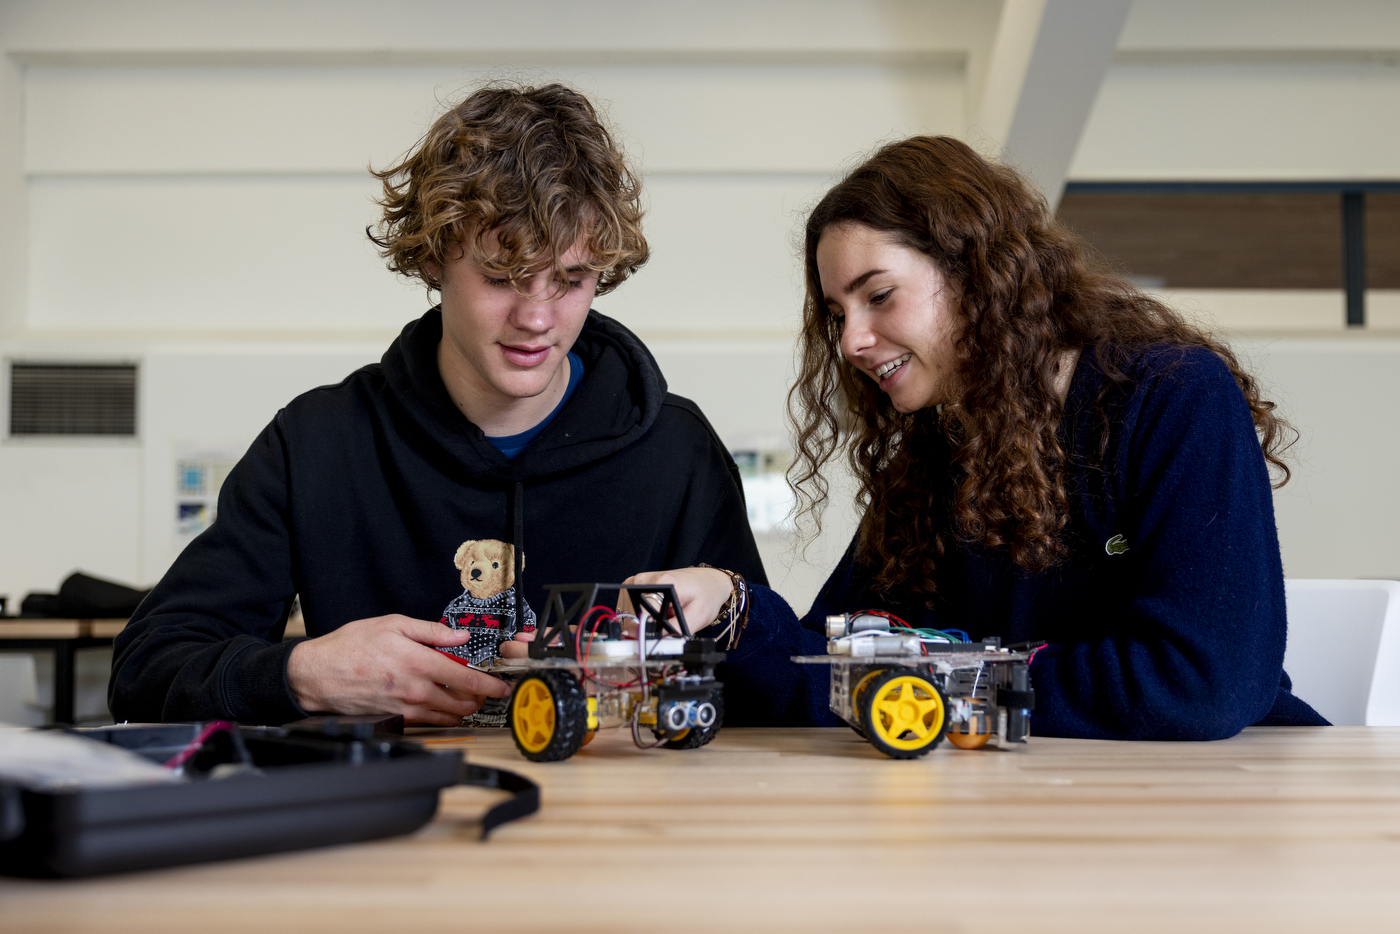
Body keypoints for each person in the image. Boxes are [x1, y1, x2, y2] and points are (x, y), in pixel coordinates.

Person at [109, 82, 764, 727]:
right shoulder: (316, 444)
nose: (537, 318)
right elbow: (147, 667)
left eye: (570, 279)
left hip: (621, 823)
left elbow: (766, 692)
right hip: (395, 818)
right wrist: (302, 673)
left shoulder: (676, 450)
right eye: (502, 277)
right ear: (434, 259)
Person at [631, 135, 1327, 739]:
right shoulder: (934, 453)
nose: (851, 341)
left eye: (878, 296)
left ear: (978, 273)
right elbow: (834, 674)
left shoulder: (1174, 395)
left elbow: (1200, 686)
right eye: (837, 313)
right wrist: (734, 610)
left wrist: (932, 680)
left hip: (1225, 811)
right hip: (1025, 814)